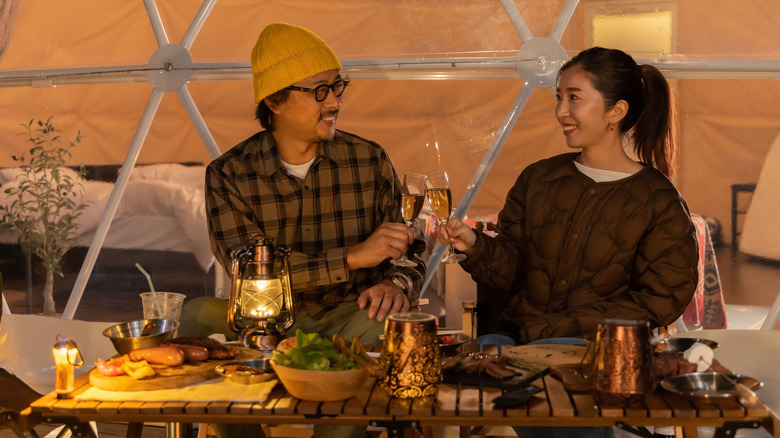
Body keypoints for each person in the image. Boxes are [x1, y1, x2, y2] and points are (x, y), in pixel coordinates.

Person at [178, 22, 425, 438]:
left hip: (351, 313)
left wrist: (397, 283)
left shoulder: (368, 158)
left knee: (392, 320)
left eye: (337, 87)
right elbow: (250, 276)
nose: (334, 102)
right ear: (275, 100)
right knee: (195, 315)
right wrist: (352, 258)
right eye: (319, 91)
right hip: (265, 322)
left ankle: (342, 430)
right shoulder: (230, 174)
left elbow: (408, 250)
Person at [437, 47, 699, 438]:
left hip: (594, 352)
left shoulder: (658, 200)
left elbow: (661, 298)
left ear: (616, 111)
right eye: (559, 96)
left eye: (574, 97)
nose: (561, 110)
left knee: (558, 399)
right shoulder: (538, 179)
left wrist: (556, 327)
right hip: (511, 343)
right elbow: (511, 271)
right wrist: (475, 245)